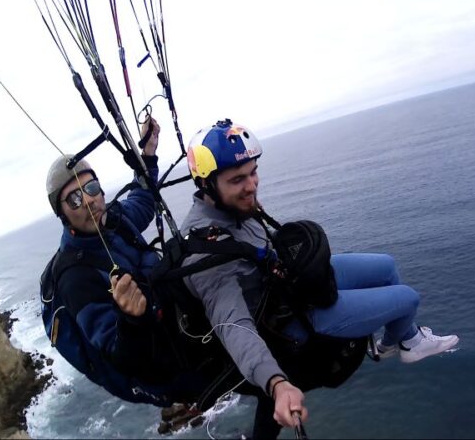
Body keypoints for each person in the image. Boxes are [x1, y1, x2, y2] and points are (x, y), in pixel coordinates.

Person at [181, 119, 460, 437]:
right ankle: (408, 345)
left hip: (288, 283)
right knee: (408, 298)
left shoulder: (231, 208)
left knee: (386, 266)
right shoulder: (207, 256)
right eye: (237, 180)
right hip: (294, 319)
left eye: (253, 172)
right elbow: (234, 328)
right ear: (207, 184)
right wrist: (276, 383)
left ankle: (403, 341)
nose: (252, 185)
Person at [42, 118, 211, 407]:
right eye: (74, 199)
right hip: (164, 370)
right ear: (63, 214)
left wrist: (148, 153)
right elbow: (120, 356)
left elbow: (143, 200)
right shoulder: (75, 278)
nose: (89, 201)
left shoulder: (114, 220)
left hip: (179, 324)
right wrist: (131, 319)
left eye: (91, 187)